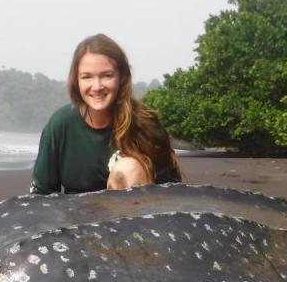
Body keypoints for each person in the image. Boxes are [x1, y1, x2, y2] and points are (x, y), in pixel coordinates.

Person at [30, 34, 184, 194]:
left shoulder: (144, 123)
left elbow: (173, 191)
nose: (96, 86)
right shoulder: (60, 125)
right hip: (79, 215)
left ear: (122, 77)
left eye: (107, 76)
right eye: (87, 77)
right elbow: (40, 195)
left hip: (135, 214)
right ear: (76, 80)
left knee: (127, 168)